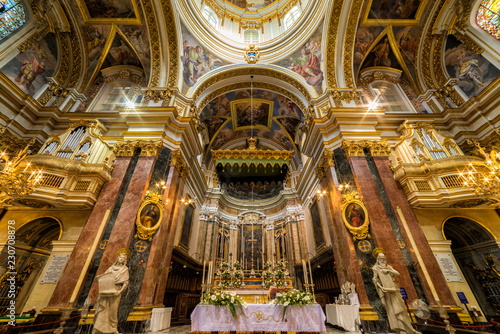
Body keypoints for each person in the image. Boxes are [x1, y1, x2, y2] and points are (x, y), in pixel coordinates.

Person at [372, 253, 421, 334]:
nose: (383, 260)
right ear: (378, 259)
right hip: (387, 291)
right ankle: (399, 329)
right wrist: (381, 288)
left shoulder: (388, 267)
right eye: (381, 258)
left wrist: (388, 270)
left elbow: (397, 273)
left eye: (384, 258)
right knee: (391, 309)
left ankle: (409, 329)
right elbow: (375, 279)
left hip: (394, 289)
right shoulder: (375, 268)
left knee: (401, 309)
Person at [92, 249, 130, 334]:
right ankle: (98, 329)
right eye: (120, 257)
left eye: (123, 258)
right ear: (118, 258)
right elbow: (105, 277)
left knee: (113, 311)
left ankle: (113, 329)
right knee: (102, 310)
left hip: (115, 292)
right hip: (106, 291)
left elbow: (125, 283)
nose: (121, 259)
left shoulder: (124, 269)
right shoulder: (111, 268)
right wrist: (99, 278)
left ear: (125, 260)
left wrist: (120, 292)